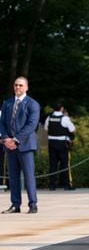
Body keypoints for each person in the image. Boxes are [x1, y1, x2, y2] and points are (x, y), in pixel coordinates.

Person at [0, 76, 40, 214]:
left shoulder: (32, 104)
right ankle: (15, 204)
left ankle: (33, 204)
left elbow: (31, 125)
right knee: (13, 177)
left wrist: (16, 140)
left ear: (26, 87)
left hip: (25, 146)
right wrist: (6, 138)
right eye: (16, 85)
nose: (18, 87)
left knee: (29, 177)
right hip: (9, 146)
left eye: (21, 85)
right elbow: (2, 123)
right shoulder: (8, 103)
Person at [44, 102, 76, 190]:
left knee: (52, 164)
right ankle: (65, 184)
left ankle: (52, 185)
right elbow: (72, 129)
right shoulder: (64, 118)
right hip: (62, 143)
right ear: (61, 108)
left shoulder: (49, 118)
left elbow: (46, 129)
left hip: (51, 142)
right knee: (64, 164)